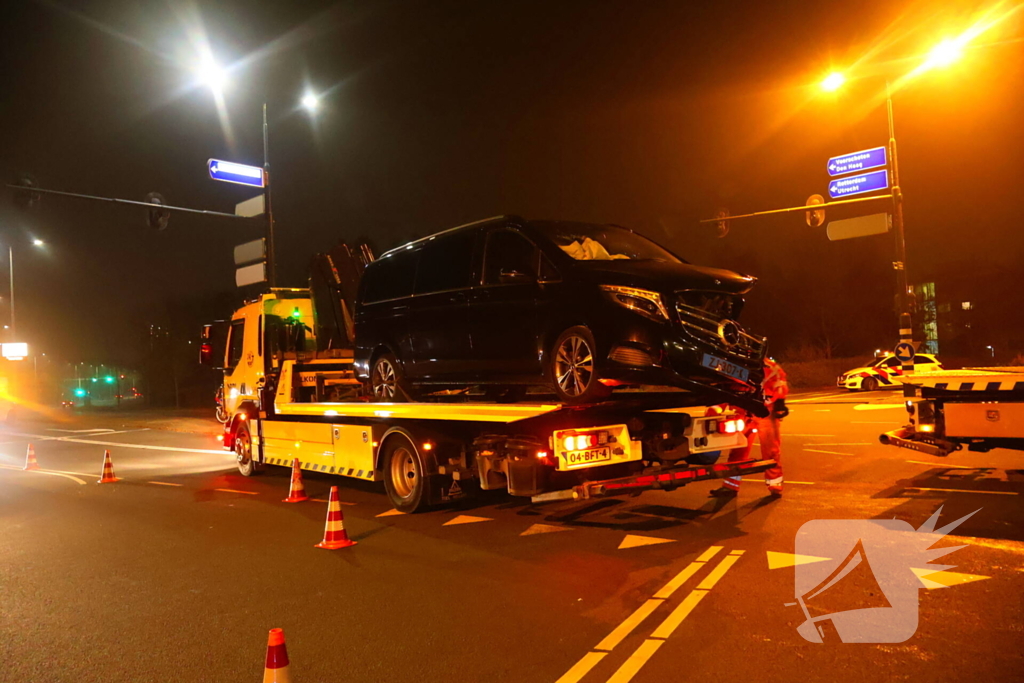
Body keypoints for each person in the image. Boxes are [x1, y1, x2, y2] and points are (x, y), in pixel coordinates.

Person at [709, 357, 789, 498]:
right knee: (738, 450)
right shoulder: (735, 365)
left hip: (764, 409)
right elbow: (727, 389)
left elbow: (778, 381)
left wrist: (780, 402)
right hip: (749, 409)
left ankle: (774, 485)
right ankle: (731, 486)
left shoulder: (759, 365)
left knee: (770, 449)